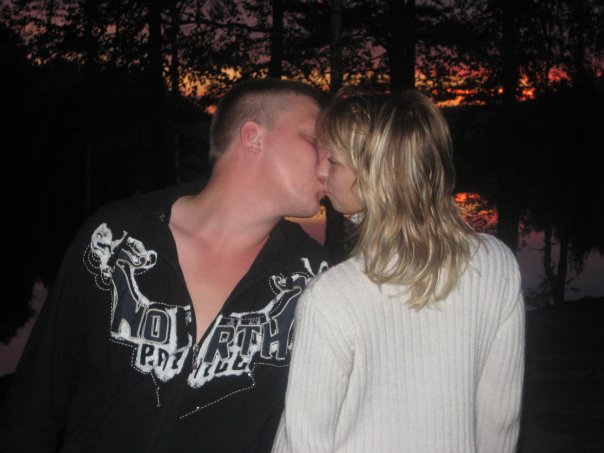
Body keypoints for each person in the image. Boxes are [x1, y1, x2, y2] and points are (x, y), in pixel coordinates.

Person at [0, 78, 329, 453]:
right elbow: (36, 403)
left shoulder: (312, 277)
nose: (329, 160)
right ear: (253, 137)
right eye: (314, 140)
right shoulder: (117, 239)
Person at [272, 90, 525, 453]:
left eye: (334, 160)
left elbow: (303, 443)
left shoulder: (331, 297)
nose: (320, 170)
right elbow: (499, 419)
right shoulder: (497, 265)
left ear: (378, 175)